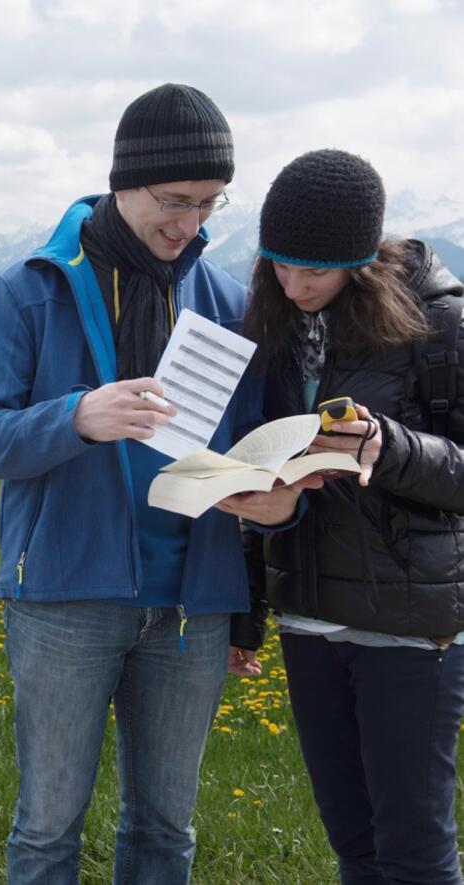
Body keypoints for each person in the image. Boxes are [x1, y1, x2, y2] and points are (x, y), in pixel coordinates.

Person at [0, 83, 301, 884]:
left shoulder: (228, 301)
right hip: (65, 602)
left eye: (210, 202)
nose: (191, 223)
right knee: (47, 828)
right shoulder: (31, 288)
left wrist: (273, 499)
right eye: (174, 200)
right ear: (123, 181)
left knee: (166, 831)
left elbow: (252, 451)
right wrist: (75, 416)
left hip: (192, 607)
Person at [238, 148, 464, 885]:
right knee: (355, 846)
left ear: (362, 261)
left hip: (407, 630)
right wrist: (251, 609)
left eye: (316, 271)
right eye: (280, 265)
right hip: (308, 622)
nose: (295, 285)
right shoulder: (279, 323)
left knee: (414, 855)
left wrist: (385, 444)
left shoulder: (441, 324)